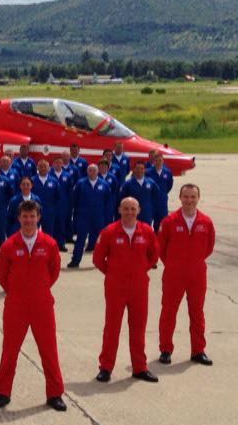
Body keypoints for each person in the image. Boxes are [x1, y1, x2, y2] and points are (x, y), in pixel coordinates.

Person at [0, 200, 66, 412]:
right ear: (19, 218)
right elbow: (2, 276)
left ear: (38, 217)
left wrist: (39, 289)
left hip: (42, 305)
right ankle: (2, 392)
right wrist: (18, 292)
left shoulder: (49, 244)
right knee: (10, 350)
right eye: (25, 216)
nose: (29, 220)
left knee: (49, 350)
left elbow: (54, 272)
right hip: (16, 306)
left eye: (32, 216)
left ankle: (55, 393)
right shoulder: (9, 246)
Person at [93, 197, 160, 383]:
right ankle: (106, 367)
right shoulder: (109, 232)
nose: (129, 212)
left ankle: (139, 367)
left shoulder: (146, 231)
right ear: (120, 210)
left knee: (138, 327)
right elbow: (98, 258)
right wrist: (113, 273)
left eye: (133, 209)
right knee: (112, 327)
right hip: (116, 287)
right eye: (126, 208)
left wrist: (140, 270)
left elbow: (154, 254)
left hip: (139, 287)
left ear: (139, 211)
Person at [157, 184, 216, 366]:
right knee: (168, 312)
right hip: (174, 274)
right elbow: (161, 248)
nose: (189, 200)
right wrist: (174, 264)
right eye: (186, 197)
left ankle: (198, 350)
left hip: (197, 274)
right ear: (180, 198)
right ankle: (165, 349)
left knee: (197, 313)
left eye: (193, 197)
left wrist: (194, 262)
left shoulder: (206, 222)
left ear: (198, 198)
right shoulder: (169, 221)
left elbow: (209, 247)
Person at [68, 164, 113, 268]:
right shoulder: (80, 184)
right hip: (83, 217)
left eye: (94, 170)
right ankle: (75, 260)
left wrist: (108, 218)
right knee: (80, 239)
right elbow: (74, 200)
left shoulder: (104, 184)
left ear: (97, 172)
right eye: (90, 170)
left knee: (101, 241)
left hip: (99, 217)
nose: (92, 172)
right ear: (87, 172)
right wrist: (75, 216)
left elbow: (108, 203)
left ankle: (101, 261)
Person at [119, 163, 161, 227]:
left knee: (146, 230)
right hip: (132, 214)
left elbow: (156, 195)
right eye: (138, 168)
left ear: (144, 170)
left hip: (147, 214)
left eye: (141, 169)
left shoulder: (150, 182)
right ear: (134, 170)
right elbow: (122, 198)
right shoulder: (128, 184)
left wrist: (152, 208)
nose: (139, 170)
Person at [31, 160, 60, 242]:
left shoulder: (54, 181)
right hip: (35, 211)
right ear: (37, 168)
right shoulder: (32, 180)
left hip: (49, 211)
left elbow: (57, 196)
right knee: (33, 232)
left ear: (49, 168)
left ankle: (47, 247)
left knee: (48, 233)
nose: (43, 168)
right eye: (41, 166)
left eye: (45, 167)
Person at [147, 153, 174, 233]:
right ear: (153, 161)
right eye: (156, 160)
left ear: (163, 161)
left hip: (162, 202)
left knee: (162, 224)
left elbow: (169, 185)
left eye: (160, 160)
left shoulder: (168, 172)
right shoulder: (148, 172)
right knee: (147, 223)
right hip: (150, 202)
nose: (158, 162)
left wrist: (163, 193)